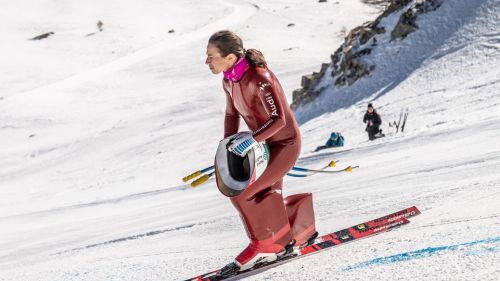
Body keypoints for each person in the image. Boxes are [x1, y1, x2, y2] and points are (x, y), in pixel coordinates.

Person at [206, 30, 317, 274]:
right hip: (263, 146)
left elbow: (278, 120)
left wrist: (251, 140)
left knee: (244, 193)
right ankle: (293, 234)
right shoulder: (229, 80)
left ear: (231, 58)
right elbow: (231, 114)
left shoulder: (260, 78)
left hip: (285, 144)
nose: (207, 62)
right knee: (257, 192)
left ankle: (264, 244)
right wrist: (228, 146)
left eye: (211, 56)